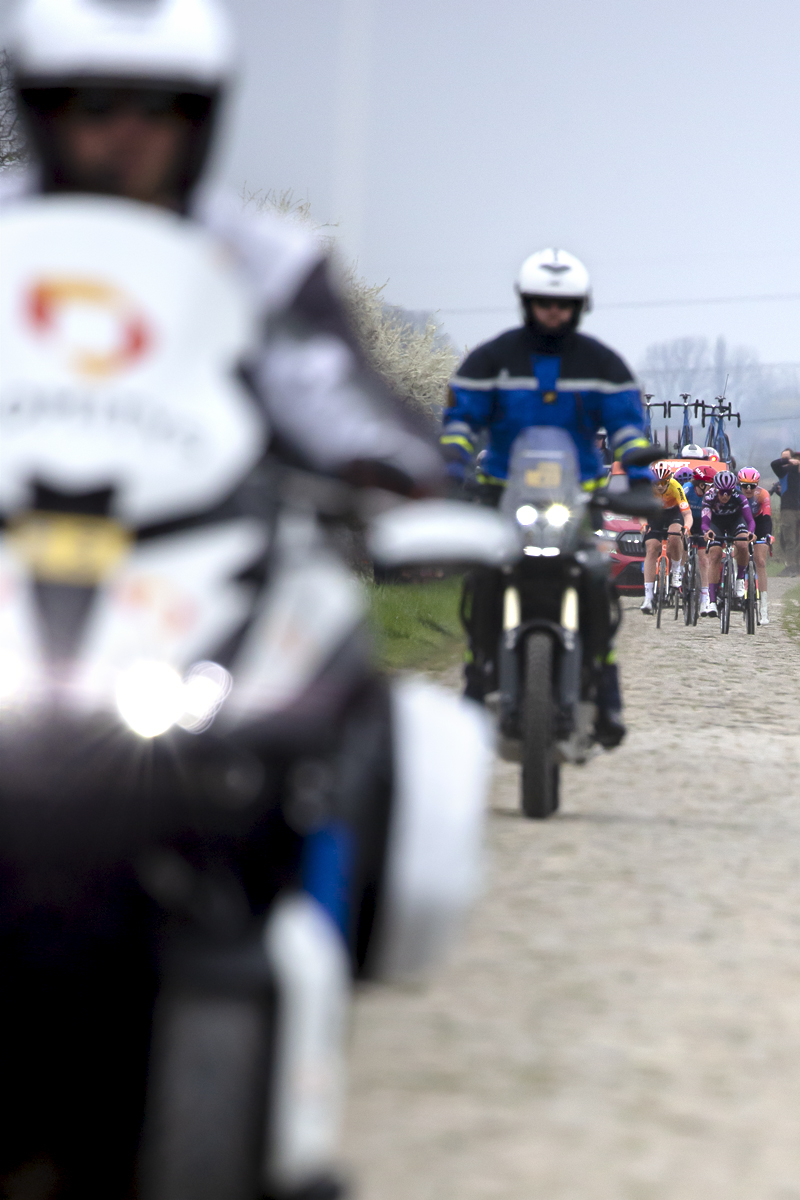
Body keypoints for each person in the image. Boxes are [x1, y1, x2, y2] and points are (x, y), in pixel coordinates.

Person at [1, 1, 447, 1197]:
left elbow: (344, 402)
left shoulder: (261, 260)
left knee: (331, 702)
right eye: (97, 106)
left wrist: (393, 475)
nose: (126, 137)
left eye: (159, 111)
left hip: (180, 585)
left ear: (201, 122)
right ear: (45, 113)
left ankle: (299, 1034)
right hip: (14, 576)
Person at [440, 246, 652, 746]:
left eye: (563, 303)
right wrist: (450, 469)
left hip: (577, 499)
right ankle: (476, 680)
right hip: (500, 493)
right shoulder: (492, 359)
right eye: (542, 301)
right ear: (525, 302)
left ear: (580, 306)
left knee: (597, 583)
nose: (552, 312)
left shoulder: (603, 364)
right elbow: (463, 420)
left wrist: (639, 479)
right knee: (484, 581)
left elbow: (628, 426)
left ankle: (606, 691)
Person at [640, 463, 692, 614]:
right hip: (654, 514)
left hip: (673, 514)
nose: (660, 486)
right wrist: (643, 524)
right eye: (657, 483)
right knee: (651, 547)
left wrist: (686, 528)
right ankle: (648, 597)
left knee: (675, 536)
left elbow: (687, 514)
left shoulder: (676, 487)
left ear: (669, 481)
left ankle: (677, 571)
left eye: (663, 483)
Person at [701, 469, 755, 606]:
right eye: (722, 492)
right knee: (715, 555)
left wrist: (750, 532)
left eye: (728, 493)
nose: (725, 496)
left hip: (735, 522)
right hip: (716, 523)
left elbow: (750, 521)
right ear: (716, 489)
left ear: (733, 490)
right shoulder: (709, 496)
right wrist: (707, 532)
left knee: (743, 545)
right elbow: (705, 522)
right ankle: (712, 600)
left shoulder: (739, 496)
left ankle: (740, 580)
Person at [738, 467, 772, 624]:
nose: (749, 489)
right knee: (737, 548)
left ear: (757, 484)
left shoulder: (762, 495)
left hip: (759, 523)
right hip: (740, 521)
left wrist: (767, 536)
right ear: (740, 485)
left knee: (760, 561)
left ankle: (764, 609)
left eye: (752, 485)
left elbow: (766, 519)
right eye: (745, 485)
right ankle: (735, 583)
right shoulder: (735, 495)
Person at [683, 462, 717, 615]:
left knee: (704, 559)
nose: (711, 488)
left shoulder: (711, 495)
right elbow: (679, 510)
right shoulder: (687, 490)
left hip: (704, 523)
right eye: (709, 485)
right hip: (688, 521)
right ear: (700, 484)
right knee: (681, 546)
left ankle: (705, 597)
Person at [770, 448, 800, 575]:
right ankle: (790, 565)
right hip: (789, 509)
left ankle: (797, 565)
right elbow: (774, 464)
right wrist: (788, 460)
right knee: (789, 538)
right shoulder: (786, 471)